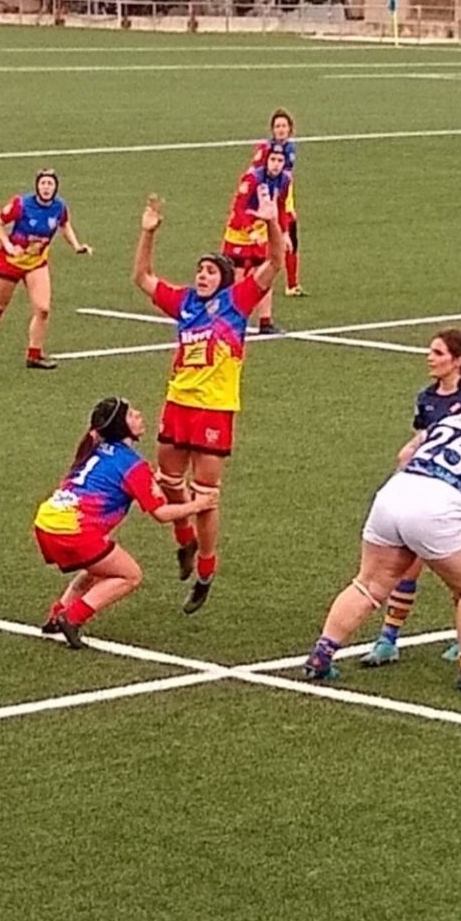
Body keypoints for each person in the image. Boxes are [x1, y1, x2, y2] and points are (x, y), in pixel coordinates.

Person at [300, 374, 461, 693]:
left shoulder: (448, 421)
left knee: (368, 584)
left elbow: (405, 456)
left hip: (394, 495)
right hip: (438, 509)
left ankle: (321, 656)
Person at [133, 190, 280, 615]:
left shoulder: (238, 302)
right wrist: (147, 233)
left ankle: (206, 572)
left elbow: (274, 260)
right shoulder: (183, 303)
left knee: (207, 494)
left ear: (225, 278)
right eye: (198, 270)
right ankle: (184, 540)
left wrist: (271, 221)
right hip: (177, 403)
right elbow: (142, 278)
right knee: (168, 482)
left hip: (215, 409)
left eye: (210, 271)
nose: (201, 276)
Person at [32, 398, 216, 647]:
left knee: (97, 570)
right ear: (121, 427)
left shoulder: (95, 449)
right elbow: (160, 513)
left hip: (47, 523)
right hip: (75, 530)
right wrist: (199, 505)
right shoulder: (131, 464)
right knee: (130, 576)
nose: (139, 415)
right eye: (131, 415)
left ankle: (57, 615)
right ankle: (72, 617)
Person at [363, 328, 461, 667]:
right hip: (426, 492)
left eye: (438, 353)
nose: (430, 357)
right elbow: (424, 434)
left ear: (458, 361)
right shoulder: (427, 397)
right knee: (406, 569)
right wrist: (410, 451)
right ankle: (388, 639)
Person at [0, 169, 90, 370]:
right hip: (10, 262)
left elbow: (64, 225)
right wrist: (7, 245)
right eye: (43, 183)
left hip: (36, 263)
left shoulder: (59, 207)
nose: (46, 187)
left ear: (55, 187)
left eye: (50, 184)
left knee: (43, 309)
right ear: (37, 186)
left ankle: (34, 355)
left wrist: (76, 245)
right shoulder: (21, 204)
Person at [221, 144, 292, 335]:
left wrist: (285, 233)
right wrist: (249, 230)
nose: (276, 165)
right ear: (266, 160)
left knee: (265, 273)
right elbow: (238, 208)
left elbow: (282, 207)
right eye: (273, 160)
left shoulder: (284, 180)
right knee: (237, 277)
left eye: (280, 161)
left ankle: (265, 322)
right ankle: (231, 320)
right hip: (238, 234)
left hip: (259, 233)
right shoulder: (252, 178)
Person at [253, 110, 304, 298]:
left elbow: (285, 180)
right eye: (277, 126)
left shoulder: (290, 148)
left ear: (290, 129)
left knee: (291, 237)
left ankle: (292, 284)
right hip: (268, 199)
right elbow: (256, 172)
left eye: (284, 126)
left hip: (283, 196)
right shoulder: (266, 149)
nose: (281, 130)